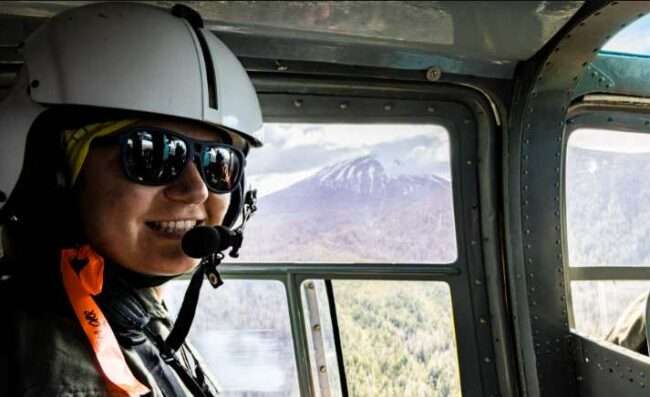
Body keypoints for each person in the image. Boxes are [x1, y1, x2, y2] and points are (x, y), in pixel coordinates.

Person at [0, 2, 263, 396]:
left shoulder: (123, 307)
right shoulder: (57, 361)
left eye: (217, 162)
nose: (197, 190)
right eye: (151, 154)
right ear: (56, 177)